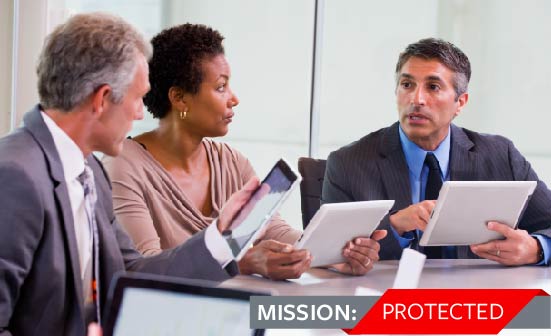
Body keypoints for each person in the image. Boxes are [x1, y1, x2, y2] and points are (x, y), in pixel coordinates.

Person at [0, 13, 262, 336]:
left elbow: (133, 273)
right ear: (102, 99)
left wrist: (220, 237)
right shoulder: (15, 176)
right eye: (138, 98)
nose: (141, 113)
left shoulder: (89, 170)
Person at [102, 23, 386, 279]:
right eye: (221, 87)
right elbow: (145, 268)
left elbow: (274, 231)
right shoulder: (124, 165)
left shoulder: (231, 162)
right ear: (179, 98)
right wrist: (244, 262)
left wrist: (334, 254)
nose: (234, 99)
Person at [322, 38, 550, 266]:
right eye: (407, 85)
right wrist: (395, 225)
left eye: (433, 87)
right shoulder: (348, 163)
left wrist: (537, 248)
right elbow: (328, 253)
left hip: (476, 298)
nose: (416, 99)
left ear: (460, 102)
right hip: (388, 298)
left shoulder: (501, 155)